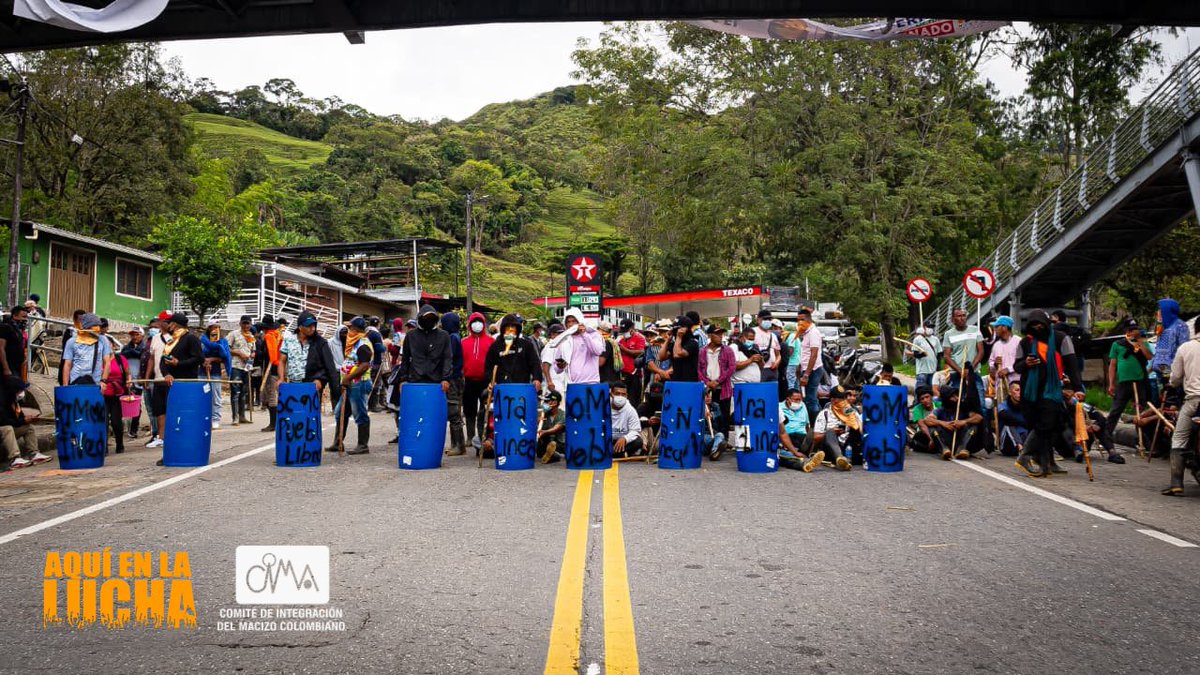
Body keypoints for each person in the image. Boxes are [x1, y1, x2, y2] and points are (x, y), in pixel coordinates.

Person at [1013, 309, 1083, 478]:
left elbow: (1072, 365)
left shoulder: (1061, 339)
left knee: (1050, 424)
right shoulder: (1025, 343)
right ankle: (1045, 463)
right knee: (1040, 426)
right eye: (1033, 325)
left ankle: (1027, 457)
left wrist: (1078, 388)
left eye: (1040, 324)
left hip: (1051, 389)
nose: (1037, 327)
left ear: (1047, 324)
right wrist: (1027, 363)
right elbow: (1017, 367)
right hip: (1030, 392)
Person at [395, 304, 454, 433]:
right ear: (420, 318)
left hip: (436, 381)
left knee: (432, 415)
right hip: (415, 380)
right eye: (426, 318)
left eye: (432, 318)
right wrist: (403, 379)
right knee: (415, 413)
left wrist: (446, 378)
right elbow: (405, 359)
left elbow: (447, 358)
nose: (428, 321)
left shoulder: (444, 336)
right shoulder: (411, 336)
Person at [154, 314, 203, 466]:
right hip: (171, 384)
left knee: (185, 421)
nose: (168, 326)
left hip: (187, 385)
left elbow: (199, 359)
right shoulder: (171, 340)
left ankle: (188, 451)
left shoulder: (191, 338)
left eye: (170, 323)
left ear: (175, 324)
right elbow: (163, 361)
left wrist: (178, 363)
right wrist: (167, 373)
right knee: (171, 420)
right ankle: (170, 453)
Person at [1164, 317, 1200, 496]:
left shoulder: (1186, 348)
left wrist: (1174, 383)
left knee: (1179, 438)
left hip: (1194, 400)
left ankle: (1176, 483)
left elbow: (1175, 377)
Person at [328, 317, 375, 455]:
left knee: (360, 413)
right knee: (340, 412)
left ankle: (363, 445)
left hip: (358, 383)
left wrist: (348, 377)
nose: (348, 331)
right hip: (350, 384)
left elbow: (365, 365)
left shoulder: (363, 344)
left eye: (350, 328)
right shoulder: (354, 342)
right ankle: (338, 442)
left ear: (356, 330)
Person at [279, 311, 340, 403]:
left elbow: (329, 366)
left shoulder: (321, 343)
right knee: (294, 413)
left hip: (312, 385)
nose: (312, 328)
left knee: (310, 414)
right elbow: (282, 361)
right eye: (309, 326)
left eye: (314, 326)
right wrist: (281, 378)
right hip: (293, 385)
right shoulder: (289, 340)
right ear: (300, 327)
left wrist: (320, 380)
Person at [1105, 318, 1151, 439]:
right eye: (1131, 329)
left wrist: (1140, 341)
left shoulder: (1142, 342)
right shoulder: (1117, 344)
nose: (1133, 331)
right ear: (1126, 330)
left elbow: (1149, 356)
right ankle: (1106, 436)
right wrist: (1111, 383)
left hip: (1139, 381)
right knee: (1116, 410)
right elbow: (1113, 365)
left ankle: (1144, 439)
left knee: (1140, 410)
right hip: (1124, 383)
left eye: (1135, 329)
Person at [943, 308, 986, 415]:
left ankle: (984, 430)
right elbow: (947, 357)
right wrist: (960, 371)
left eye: (964, 315)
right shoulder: (948, 334)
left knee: (981, 404)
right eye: (958, 316)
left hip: (974, 373)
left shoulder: (975, 329)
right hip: (957, 375)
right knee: (959, 404)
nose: (962, 318)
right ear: (953, 319)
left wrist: (970, 369)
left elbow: (981, 351)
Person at [1, 376, 50, 469]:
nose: (22, 393)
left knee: (28, 428)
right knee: (7, 428)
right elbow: (3, 421)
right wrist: (22, 420)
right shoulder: (2, 402)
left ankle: (34, 453)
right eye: (19, 390)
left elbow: (19, 417)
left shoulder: (14, 401)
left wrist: (27, 419)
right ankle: (15, 458)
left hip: (10, 429)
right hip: (3, 430)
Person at [462, 311, 494, 450]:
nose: (477, 324)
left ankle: (483, 435)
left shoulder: (491, 341)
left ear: (484, 324)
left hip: (486, 381)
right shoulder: (464, 342)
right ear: (469, 325)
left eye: (479, 321)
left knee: (484, 410)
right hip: (469, 380)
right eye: (474, 322)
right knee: (469, 410)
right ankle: (470, 436)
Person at [926, 386, 986, 460]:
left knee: (973, 425)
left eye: (957, 395)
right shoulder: (940, 410)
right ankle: (944, 449)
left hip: (962, 439)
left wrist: (963, 422)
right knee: (933, 426)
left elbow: (978, 417)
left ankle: (962, 448)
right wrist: (943, 423)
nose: (957, 398)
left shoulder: (963, 409)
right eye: (953, 397)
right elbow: (928, 420)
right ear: (946, 399)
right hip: (947, 439)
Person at [438, 311, 468, 457]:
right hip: (455, 378)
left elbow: (449, 359)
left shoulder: (452, 338)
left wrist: (446, 376)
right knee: (452, 411)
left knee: (453, 412)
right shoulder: (455, 336)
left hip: (453, 379)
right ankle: (455, 444)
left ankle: (459, 445)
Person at [810, 386, 860, 470]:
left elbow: (860, 428)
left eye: (844, 398)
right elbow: (816, 437)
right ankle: (840, 458)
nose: (843, 402)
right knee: (830, 432)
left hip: (848, 447)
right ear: (832, 400)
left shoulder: (850, 411)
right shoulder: (824, 414)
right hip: (830, 448)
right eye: (840, 399)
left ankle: (847, 459)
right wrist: (832, 431)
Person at [698, 324, 735, 434]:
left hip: (724, 387)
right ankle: (712, 436)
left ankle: (724, 438)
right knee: (710, 414)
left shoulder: (727, 350)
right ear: (710, 335)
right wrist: (707, 382)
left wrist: (718, 381)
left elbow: (731, 367)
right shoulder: (702, 351)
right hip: (708, 388)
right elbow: (698, 370)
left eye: (721, 334)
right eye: (717, 334)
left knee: (724, 414)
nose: (720, 336)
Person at [554, 308, 605, 386]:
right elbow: (557, 369)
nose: (571, 324)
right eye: (568, 322)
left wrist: (584, 334)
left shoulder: (593, 334)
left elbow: (597, 351)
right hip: (572, 384)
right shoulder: (564, 340)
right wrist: (560, 366)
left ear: (580, 321)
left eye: (574, 321)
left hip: (591, 382)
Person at [61, 313, 113, 386]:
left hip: (95, 383)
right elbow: (67, 365)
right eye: (95, 325)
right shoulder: (72, 341)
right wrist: (65, 385)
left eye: (99, 325)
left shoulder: (103, 340)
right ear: (87, 327)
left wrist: (103, 381)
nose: (98, 328)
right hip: (76, 382)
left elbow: (107, 362)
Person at [779, 388, 823, 472]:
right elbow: (782, 433)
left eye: (800, 399)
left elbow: (807, 425)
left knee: (814, 432)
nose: (798, 402)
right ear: (788, 399)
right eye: (796, 400)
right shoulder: (779, 407)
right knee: (785, 454)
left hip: (802, 437)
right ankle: (802, 459)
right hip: (788, 437)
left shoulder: (802, 406)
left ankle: (809, 454)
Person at [100, 341, 131, 454]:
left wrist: (129, 381)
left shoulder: (120, 359)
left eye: (109, 345)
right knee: (103, 420)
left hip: (117, 393)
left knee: (116, 421)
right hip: (102, 393)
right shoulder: (98, 360)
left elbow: (127, 373)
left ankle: (120, 444)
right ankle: (104, 447)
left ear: (113, 346)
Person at [792, 310, 824, 418]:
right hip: (806, 369)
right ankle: (819, 419)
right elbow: (804, 353)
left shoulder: (813, 333)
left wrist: (806, 375)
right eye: (798, 320)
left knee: (810, 398)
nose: (800, 322)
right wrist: (800, 368)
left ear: (809, 319)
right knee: (808, 398)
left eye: (802, 319)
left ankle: (816, 424)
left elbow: (813, 355)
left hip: (813, 370)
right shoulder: (806, 333)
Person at [201, 323, 231, 429]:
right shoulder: (202, 341)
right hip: (202, 373)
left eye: (218, 327)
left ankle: (215, 419)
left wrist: (212, 359)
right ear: (208, 328)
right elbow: (197, 355)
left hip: (215, 373)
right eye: (213, 327)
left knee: (215, 398)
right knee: (203, 397)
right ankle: (204, 418)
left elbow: (224, 357)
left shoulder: (222, 342)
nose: (215, 329)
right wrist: (204, 361)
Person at [119, 326, 146, 437]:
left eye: (137, 334)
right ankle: (121, 428)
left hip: (138, 380)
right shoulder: (125, 348)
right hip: (125, 380)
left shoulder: (145, 348)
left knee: (136, 406)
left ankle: (133, 429)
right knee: (121, 404)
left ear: (142, 335)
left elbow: (140, 355)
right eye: (132, 334)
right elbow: (121, 358)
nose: (134, 337)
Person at [228, 315, 255, 426]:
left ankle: (242, 416)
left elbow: (253, 350)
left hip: (247, 367)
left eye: (248, 323)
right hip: (236, 366)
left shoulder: (251, 336)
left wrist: (253, 354)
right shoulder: (233, 334)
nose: (246, 325)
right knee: (235, 392)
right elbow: (227, 348)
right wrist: (239, 353)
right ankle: (235, 417)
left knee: (244, 392)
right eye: (244, 323)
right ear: (240, 323)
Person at [259, 315, 283, 432]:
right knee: (275, 394)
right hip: (279, 368)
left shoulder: (269, 336)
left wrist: (260, 354)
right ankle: (275, 423)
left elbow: (270, 354)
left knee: (271, 396)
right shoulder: (278, 335)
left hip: (272, 368)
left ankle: (273, 424)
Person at [617, 319, 646, 406]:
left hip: (634, 373)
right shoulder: (621, 339)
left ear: (632, 328)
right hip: (623, 373)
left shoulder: (639, 338)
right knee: (622, 399)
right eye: (623, 331)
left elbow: (640, 352)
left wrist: (624, 349)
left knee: (633, 400)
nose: (624, 333)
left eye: (626, 330)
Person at [610, 381, 643, 458]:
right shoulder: (604, 406)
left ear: (627, 396)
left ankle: (611, 454)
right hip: (607, 440)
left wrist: (625, 438)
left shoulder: (630, 410)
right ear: (611, 394)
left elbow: (635, 430)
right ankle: (619, 454)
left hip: (622, 442)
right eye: (617, 394)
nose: (620, 397)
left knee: (638, 441)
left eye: (623, 394)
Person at [996, 382, 1029, 457]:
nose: (1020, 393)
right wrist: (1022, 423)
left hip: (1023, 439)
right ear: (1010, 393)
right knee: (1009, 425)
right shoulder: (1003, 405)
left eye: (1021, 390)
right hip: (1008, 445)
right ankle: (1020, 447)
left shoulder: (1026, 406)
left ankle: (1026, 449)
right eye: (1017, 390)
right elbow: (1005, 416)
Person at [906, 321, 941, 390]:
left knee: (932, 391)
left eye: (932, 327)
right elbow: (915, 354)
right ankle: (916, 401)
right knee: (920, 390)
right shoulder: (917, 339)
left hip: (933, 370)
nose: (930, 328)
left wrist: (938, 367)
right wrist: (922, 355)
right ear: (924, 327)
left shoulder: (936, 339)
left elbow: (939, 354)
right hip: (922, 371)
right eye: (929, 327)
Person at [665, 316, 700, 383]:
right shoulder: (675, 344)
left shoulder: (692, 343)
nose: (675, 331)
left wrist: (679, 336)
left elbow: (677, 355)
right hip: (676, 381)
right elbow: (660, 357)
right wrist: (667, 340)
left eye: (677, 329)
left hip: (689, 382)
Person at [0, 304, 29, 383]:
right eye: (23, 317)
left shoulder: (17, 329)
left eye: (26, 317)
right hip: (9, 366)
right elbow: (1, 348)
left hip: (16, 365)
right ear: (14, 316)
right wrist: (6, 368)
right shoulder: (5, 327)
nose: (25, 320)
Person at [908, 386, 941, 453]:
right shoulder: (917, 408)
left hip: (939, 432)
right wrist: (931, 439)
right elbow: (921, 424)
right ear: (920, 401)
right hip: (926, 434)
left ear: (931, 397)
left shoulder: (939, 405)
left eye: (927, 397)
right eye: (922, 399)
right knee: (917, 438)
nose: (925, 400)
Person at [537, 390, 566, 464]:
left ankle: (555, 455)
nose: (545, 404)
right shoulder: (543, 413)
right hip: (545, 442)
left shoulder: (562, 415)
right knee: (542, 450)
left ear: (554, 403)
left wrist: (545, 432)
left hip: (558, 443)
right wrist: (539, 419)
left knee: (554, 445)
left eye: (547, 401)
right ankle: (551, 454)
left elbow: (556, 428)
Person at [700, 388, 729, 461]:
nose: (708, 398)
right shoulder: (698, 408)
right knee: (706, 438)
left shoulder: (715, 406)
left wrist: (711, 415)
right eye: (706, 396)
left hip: (713, 435)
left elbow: (719, 417)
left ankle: (714, 452)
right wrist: (703, 416)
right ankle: (717, 447)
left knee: (720, 435)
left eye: (709, 396)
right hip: (703, 436)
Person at [541, 324, 570, 395]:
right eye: (559, 333)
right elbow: (545, 365)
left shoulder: (561, 345)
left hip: (561, 383)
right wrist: (549, 382)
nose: (562, 335)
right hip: (554, 384)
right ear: (552, 335)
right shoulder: (550, 346)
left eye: (562, 333)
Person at [753, 310, 781, 382]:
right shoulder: (752, 332)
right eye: (765, 319)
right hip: (757, 369)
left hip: (772, 370)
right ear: (758, 320)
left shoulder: (773, 336)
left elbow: (778, 355)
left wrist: (777, 362)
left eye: (769, 319)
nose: (767, 321)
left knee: (771, 391)